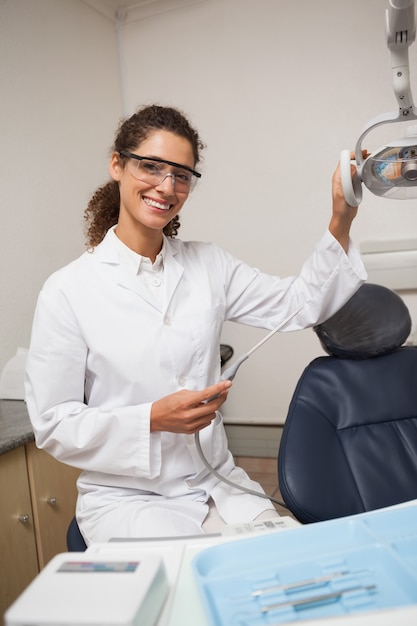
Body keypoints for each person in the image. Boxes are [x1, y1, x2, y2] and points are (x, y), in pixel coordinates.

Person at [25, 105, 367, 545]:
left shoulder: (209, 264)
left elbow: (299, 304)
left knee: (294, 573)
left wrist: (342, 216)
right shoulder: (68, 290)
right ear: (117, 164)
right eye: (150, 166)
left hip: (219, 485)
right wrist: (151, 419)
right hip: (130, 501)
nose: (166, 186)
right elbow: (54, 424)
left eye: (181, 174)